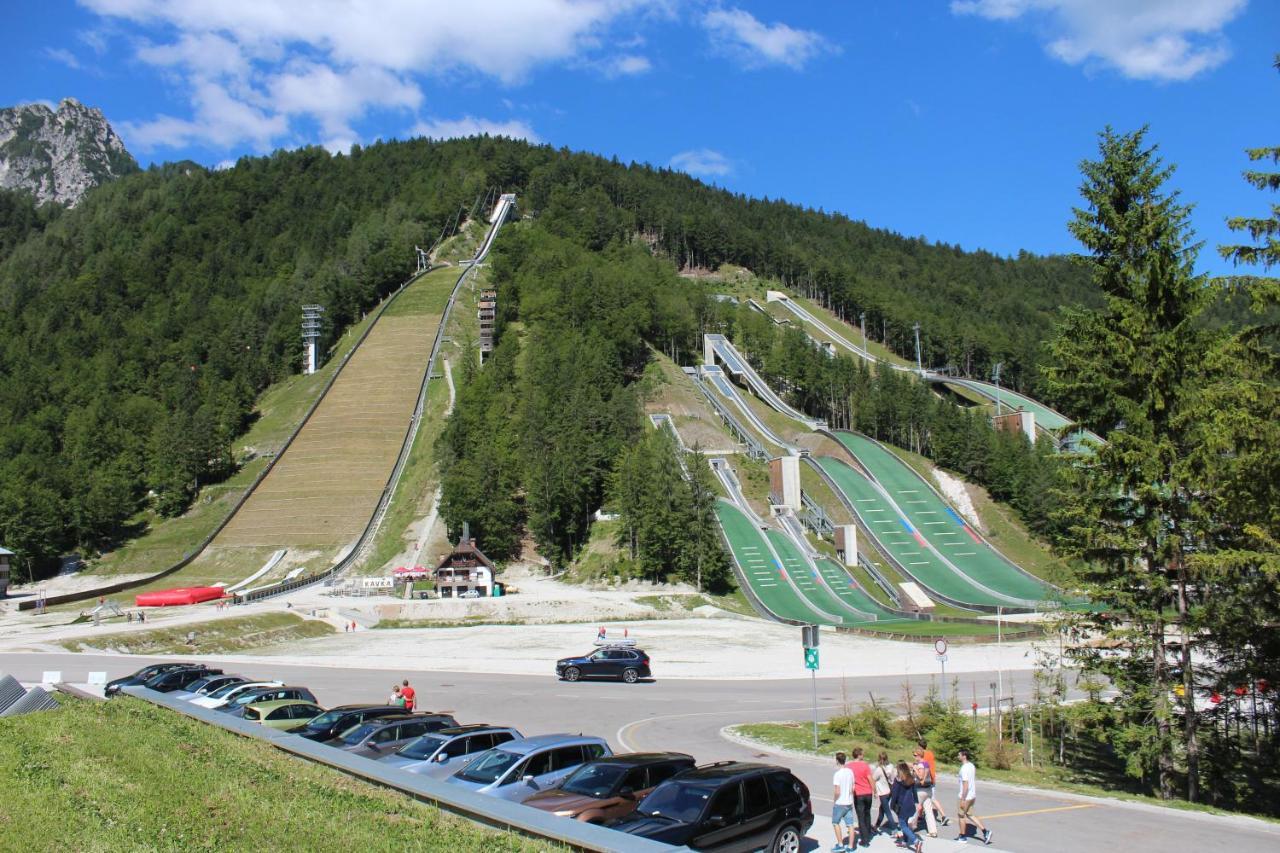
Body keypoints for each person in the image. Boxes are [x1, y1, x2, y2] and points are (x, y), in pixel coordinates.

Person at [955, 749, 992, 845]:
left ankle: (962, 836)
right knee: (970, 815)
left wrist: (962, 799)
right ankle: (985, 832)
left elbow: (966, 784)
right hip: (972, 796)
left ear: (964, 756)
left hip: (965, 797)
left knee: (961, 816)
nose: (958, 756)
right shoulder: (971, 766)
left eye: (959, 755)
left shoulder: (964, 769)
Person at [891, 761, 923, 853]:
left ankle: (916, 841)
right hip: (910, 804)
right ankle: (905, 842)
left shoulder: (898, 781)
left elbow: (895, 795)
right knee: (905, 822)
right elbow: (914, 792)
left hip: (901, 805)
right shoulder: (911, 779)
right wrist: (917, 803)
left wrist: (892, 805)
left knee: (903, 825)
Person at [919, 739, 950, 826]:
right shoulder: (930, 753)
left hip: (927, 779)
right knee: (923, 798)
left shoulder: (923, 755)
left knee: (931, 798)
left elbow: (922, 767)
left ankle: (944, 816)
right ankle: (920, 816)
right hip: (932, 778)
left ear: (920, 747)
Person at [849, 747, 874, 848]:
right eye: (862, 754)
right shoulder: (865, 766)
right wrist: (874, 790)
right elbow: (870, 779)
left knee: (861, 816)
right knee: (867, 813)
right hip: (868, 793)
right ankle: (868, 832)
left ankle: (865, 840)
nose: (863, 756)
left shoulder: (849, 766)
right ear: (859, 755)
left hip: (858, 794)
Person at [831, 752, 854, 853]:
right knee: (850, 824)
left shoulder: (837, 774)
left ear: (837, 761)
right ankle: (850, 846)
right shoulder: (850, 772)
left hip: (840, 803)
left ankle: (840, 844)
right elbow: (853, 787)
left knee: (835, 822)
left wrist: (835, 800)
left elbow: (837, 791)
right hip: (849, 802)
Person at [913, 748, 937, 837]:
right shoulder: (926, 763)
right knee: (928, 810)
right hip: (928, 789)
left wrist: (915, 769)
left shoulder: (920, 765)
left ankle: (911, 827)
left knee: (915, 809)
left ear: (919, 755)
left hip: (920, 790)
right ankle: (933, 831)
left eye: (915, 755)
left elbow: (921, 777)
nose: (914, 757)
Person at [872, 751, 898, 835]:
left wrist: (874, 791)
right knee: (882, 809)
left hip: (882, 792)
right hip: (890, 791)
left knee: (887, 810)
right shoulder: (891, 766)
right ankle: (876, 826)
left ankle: (894, 829)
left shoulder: (879, 769)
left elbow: (873, 779)